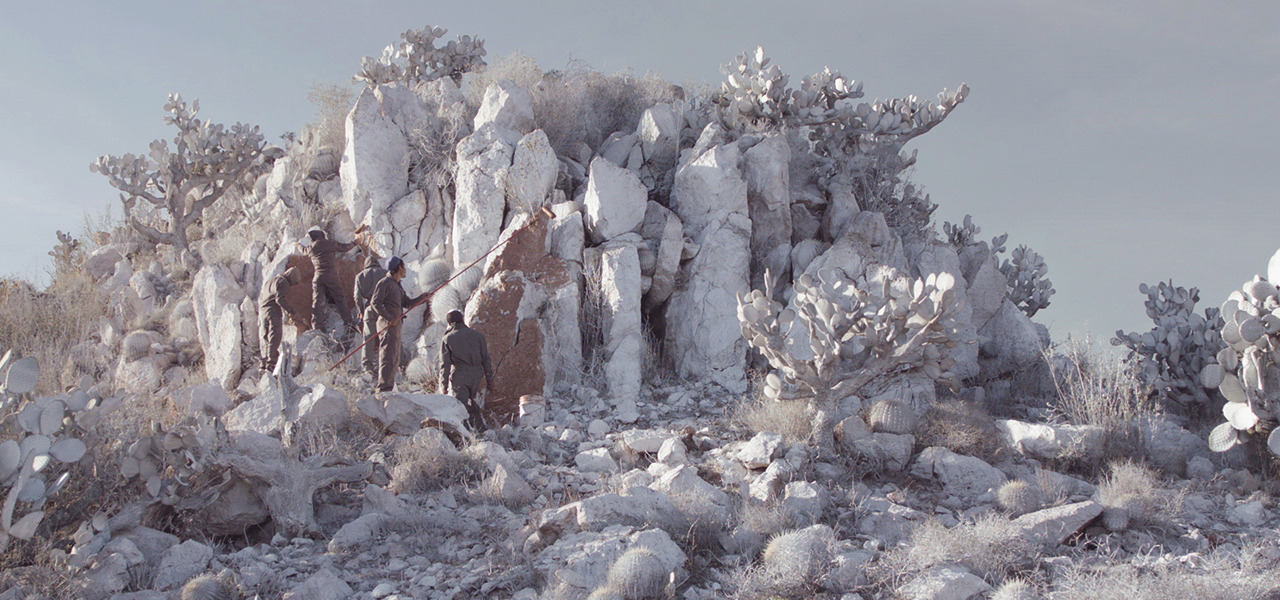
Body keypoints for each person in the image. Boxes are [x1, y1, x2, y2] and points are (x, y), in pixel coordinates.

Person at [371, 257, 426, 392]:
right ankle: (382, 388)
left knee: (394, 357)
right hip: (387, 325)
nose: (405, 269)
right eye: (404, 267)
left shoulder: (397, 284)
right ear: (399, 268)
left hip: (395, 326)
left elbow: (407, 303)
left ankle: (388, 386)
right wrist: (390, 318)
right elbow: (375, 303)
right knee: (387, 356)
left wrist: (423, 298)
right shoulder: (385, 283)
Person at [439, 310, 494, 433]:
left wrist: (443, 386)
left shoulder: (448, 338)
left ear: (450, 323)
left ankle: (465, 434)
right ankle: (481, 430)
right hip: (477, 375)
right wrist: (490, 380)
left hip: (460, 374)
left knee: (461, 406)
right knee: (473, 402)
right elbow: (486, 359)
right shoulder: (478, 335)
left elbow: (445, 365)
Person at [305, 228, 357, 332]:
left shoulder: (311, 247)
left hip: (318, 277)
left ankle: (317, 326)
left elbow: (303, 251)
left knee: (317, 302)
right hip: (331, 275)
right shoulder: (330, 243)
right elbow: (344, 248)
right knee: (340, 299)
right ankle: (349, 322)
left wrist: (298, 245)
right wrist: (354, 243)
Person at [259, 267, 303, 374]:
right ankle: (271, 366)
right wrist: (292, 311)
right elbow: (280, 300)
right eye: (295, 283)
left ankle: (263, 363)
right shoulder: (283, 282)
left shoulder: (270, 281)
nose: (293, 286)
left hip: (263, 311)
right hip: (273, 311)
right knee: (275, 337)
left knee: (265, 337)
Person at [353, 256, 387, 375]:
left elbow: (357, 297)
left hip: (370, 308)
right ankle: (395, 363)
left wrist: (361, 311)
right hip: (385, 308)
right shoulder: (386, 273)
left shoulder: (360, 276)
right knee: (389, 336)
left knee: (368, 337)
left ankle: (367, 366)